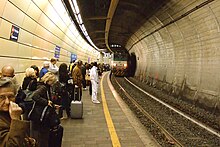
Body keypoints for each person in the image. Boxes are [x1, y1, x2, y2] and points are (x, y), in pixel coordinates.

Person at [31, 72, 58, 147]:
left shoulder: (44, 86)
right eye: (52, 82)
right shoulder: (43, 88)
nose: (53, 84)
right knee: (42, 135)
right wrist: (46, 102)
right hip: (41, 114)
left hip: (42, 113)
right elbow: (35, 96)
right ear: (48, 80)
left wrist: (52, 105)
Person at [0, 78, 30, 146]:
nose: (7, 102)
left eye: (11, 97)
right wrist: (16, 120)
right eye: (1, 97)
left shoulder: (12, 112)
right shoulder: (14, 115)